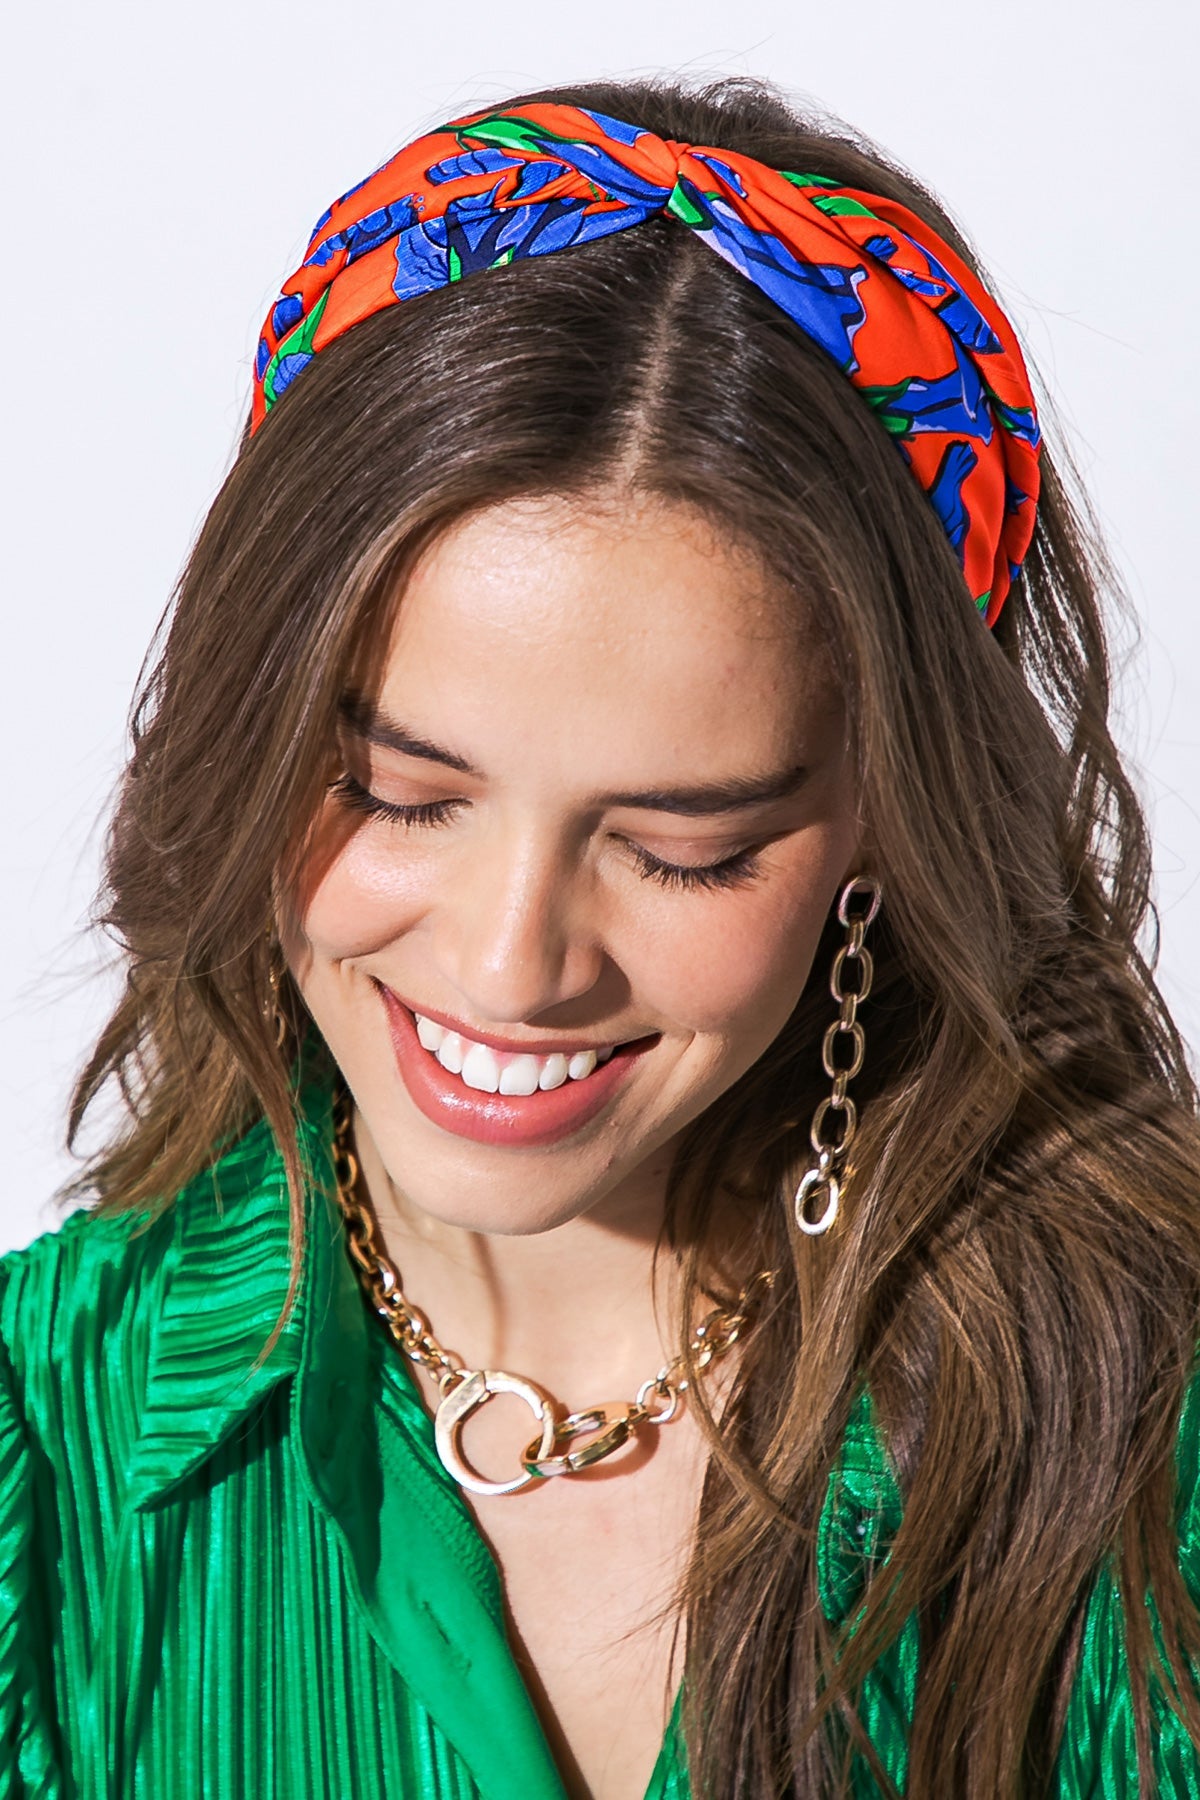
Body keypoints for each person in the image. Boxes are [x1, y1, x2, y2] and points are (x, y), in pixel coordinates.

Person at [3, 71, 1199, 1800]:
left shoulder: (1148, 1445)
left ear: (889, 820)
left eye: (686, 849)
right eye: (398, 795)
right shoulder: (51, 1458)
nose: (508, 966)